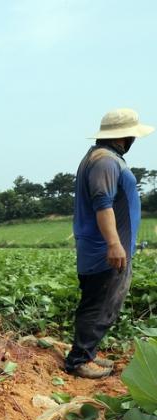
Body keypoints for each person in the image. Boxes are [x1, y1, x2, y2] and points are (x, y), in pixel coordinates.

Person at [66, 108, 153, 378]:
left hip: (106, 248)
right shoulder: (105, 161)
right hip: (104, 250)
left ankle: (87, 353)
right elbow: (103, 205)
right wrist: (114, 244)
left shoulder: (104, 157)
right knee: (99, 304)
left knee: (103, 302)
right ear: (124, 137)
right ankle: (79, 360)